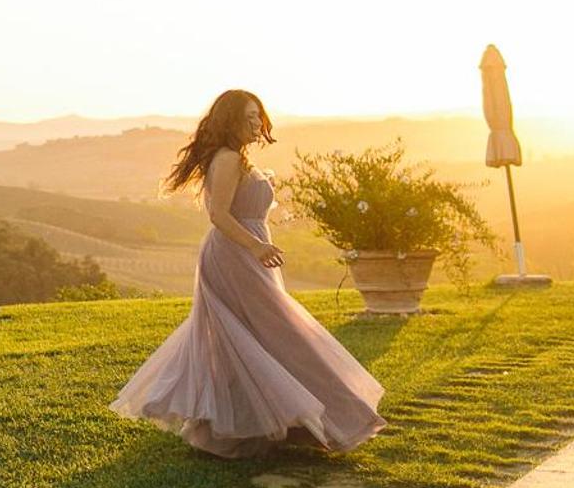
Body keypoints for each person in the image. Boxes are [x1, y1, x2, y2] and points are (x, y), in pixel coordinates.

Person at [111, 89, 386, 458]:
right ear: (231, 120)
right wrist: (256, 247)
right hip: (234, 255)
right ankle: (336, 417)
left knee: (259, 336)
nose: (257, 123)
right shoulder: (227, 159)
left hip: (249, 255)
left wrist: (259, 247)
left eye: (259, 116)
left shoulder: (238, 158)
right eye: (249, 117)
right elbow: (218, 215)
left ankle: (286, 423)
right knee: (282, 330)